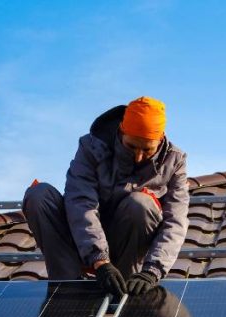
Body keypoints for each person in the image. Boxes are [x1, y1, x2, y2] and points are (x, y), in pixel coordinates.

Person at [22, 96, 189, 295]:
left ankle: (124, 291)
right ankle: (66, 287)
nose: (138, 156)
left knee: (141, 204)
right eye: (131, 146)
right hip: (82, 241)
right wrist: (100, 260)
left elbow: (175, 221)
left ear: (160, 139)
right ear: (120, 131)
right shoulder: (91, 147)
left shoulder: (174, 161)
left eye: (147, 150)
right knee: (38, 195)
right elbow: (81, 203)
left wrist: (152, 271)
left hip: (127, 246)